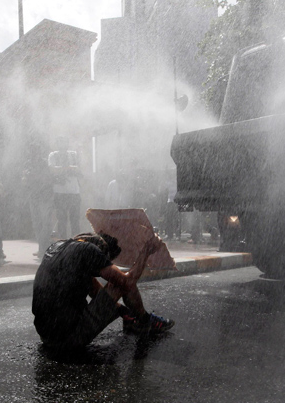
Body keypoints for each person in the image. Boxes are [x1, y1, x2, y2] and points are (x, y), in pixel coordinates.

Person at [32, 232, 174, 351]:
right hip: (68, 340)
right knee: (119, 284)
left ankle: (132, 320)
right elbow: (127, 283)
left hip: (46, 336)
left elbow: (95, 291)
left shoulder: (58, 247)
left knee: (117, 282)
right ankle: (145, 322)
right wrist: (146, 251)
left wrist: (124, 312)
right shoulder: (89, 250)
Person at [48, 136, 82, 238]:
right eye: (61, 143)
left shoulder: (73, 154)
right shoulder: (53, 155)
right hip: (60, 193)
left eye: (65, 143)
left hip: (74, 193)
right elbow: (52, 170)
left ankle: (76, 246)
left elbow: (79, 169)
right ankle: (63, 246)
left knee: (75, 221)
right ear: (57, 145)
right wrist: (69, 169)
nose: (63, 146)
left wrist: (62, 170)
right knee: (62, 221)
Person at [22, 156, 53, 258]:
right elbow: (24, 179)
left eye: (35, 151)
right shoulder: (28, 163)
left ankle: (45, 247)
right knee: (37, 223)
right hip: (34, 196)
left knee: (45, 223)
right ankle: (41, 247)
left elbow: (46, 179)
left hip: (44, 196)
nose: (33, 153)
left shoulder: (43, 164)